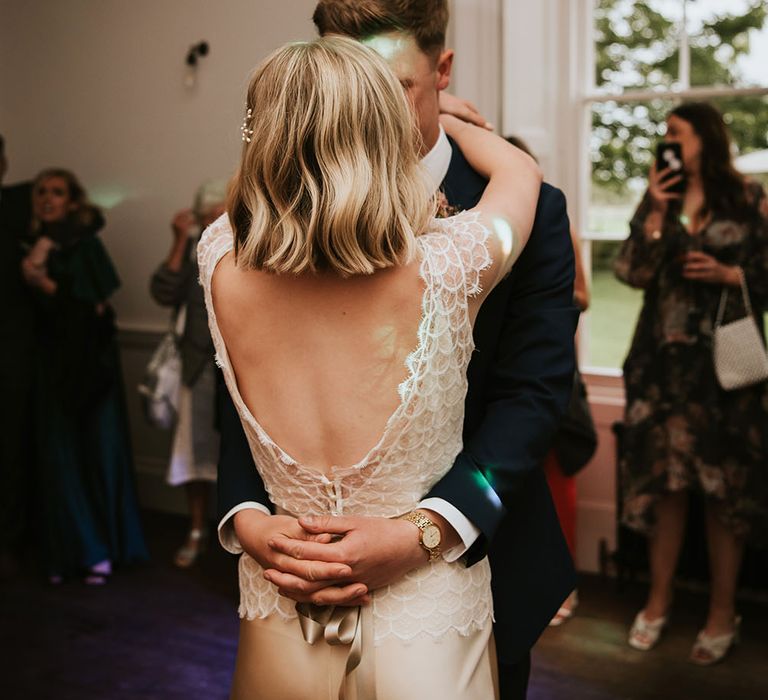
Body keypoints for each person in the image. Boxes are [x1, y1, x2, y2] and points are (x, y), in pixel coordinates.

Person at [215, 3, 578, 698]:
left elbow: (531, 399)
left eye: (390, 88)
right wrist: (248, 516)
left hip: (475, 561)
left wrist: (428, 530)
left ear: (442, 71)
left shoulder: (536, 212)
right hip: (292, 578)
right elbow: (235, 393)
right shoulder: (258, 230)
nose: (365, 114)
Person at [614, 102, 768, 665]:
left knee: (724, 493)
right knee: (667, 485)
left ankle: (723, 611)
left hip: (725, 375)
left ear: (706, 137)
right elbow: (631, 272)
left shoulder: (749, 199)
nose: (668, 142)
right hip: (661, 369)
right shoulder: (662, 195)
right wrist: (655, 211)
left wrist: (734, 275)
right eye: (665, 134)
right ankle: (658, 602)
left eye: (677, 133)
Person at [20, 168, 148, 584]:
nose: (47, 198)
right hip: (49, 364)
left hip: (91, 365)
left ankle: (103, 549)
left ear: (73, 201)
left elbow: (93, 309)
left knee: (100, 453)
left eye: (56, 192)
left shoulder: (84, 245)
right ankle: (71, 553)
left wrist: (44, 284)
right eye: (41, 191)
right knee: (60, 461)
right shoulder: (29, 246)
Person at [504, 135, 592, 626]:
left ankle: (564, 584)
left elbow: (583, 294)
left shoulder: (556, 222)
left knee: (559, 477)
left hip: (553, 364)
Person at [150, 181, 226, 568]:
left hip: (241, 376)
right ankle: (197, 530)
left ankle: (236, 535)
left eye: (224, 212)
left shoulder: (250, 246)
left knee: (238, 458)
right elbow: (162, 292)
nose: (218, 220)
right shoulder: (194, 249)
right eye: (210, 214)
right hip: (197, 369)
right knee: (195, 454)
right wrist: (179, 240)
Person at [0, 136, 35, 580]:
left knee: (10, 450)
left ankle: (9, 542)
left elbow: (90, 214)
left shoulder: (16, 205)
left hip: (12, 351)